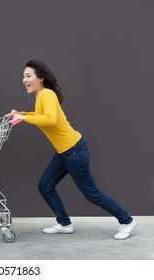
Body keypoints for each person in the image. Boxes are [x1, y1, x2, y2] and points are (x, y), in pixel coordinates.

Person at [8, 60, 136, 240]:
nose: (24, 80)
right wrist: (20, 114)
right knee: (45, 186)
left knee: (92, 194)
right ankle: (64, 223)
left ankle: (127, 220)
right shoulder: (40, 96)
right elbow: (41, 116)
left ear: (41, 78)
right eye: (23, 76)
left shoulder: (47, 94)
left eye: (28, 76)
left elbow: (50, 120)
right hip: (64, 152)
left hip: (75, 150)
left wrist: (23, 118)